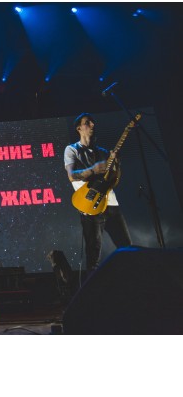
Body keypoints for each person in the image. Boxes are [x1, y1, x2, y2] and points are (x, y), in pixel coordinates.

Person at [64, 113, 132, 276]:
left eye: (93, 122)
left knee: (127, 247)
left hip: (111, 204)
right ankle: (93, 287)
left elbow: (114, 179)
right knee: (93, 255)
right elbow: (72, 175)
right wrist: (93, 170)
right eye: (87, 122)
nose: (92, 125)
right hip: (90, 205)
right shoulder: (72, 149)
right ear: (79, 128)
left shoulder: (103, 152)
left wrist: (117, 164)